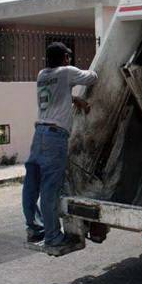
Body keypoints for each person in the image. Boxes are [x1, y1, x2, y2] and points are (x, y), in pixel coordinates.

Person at [22, 42, 97, 251]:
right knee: (49, 189)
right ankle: (53, 237)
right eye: (68, 57)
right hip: (55, 138)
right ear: (65, 57)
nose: (69, 60)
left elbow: (56, 94)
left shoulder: (41, 75)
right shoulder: (67, 72)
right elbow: (93, 77)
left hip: (39, 135)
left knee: (31, 186)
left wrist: (74, 99)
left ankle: (33, 229)